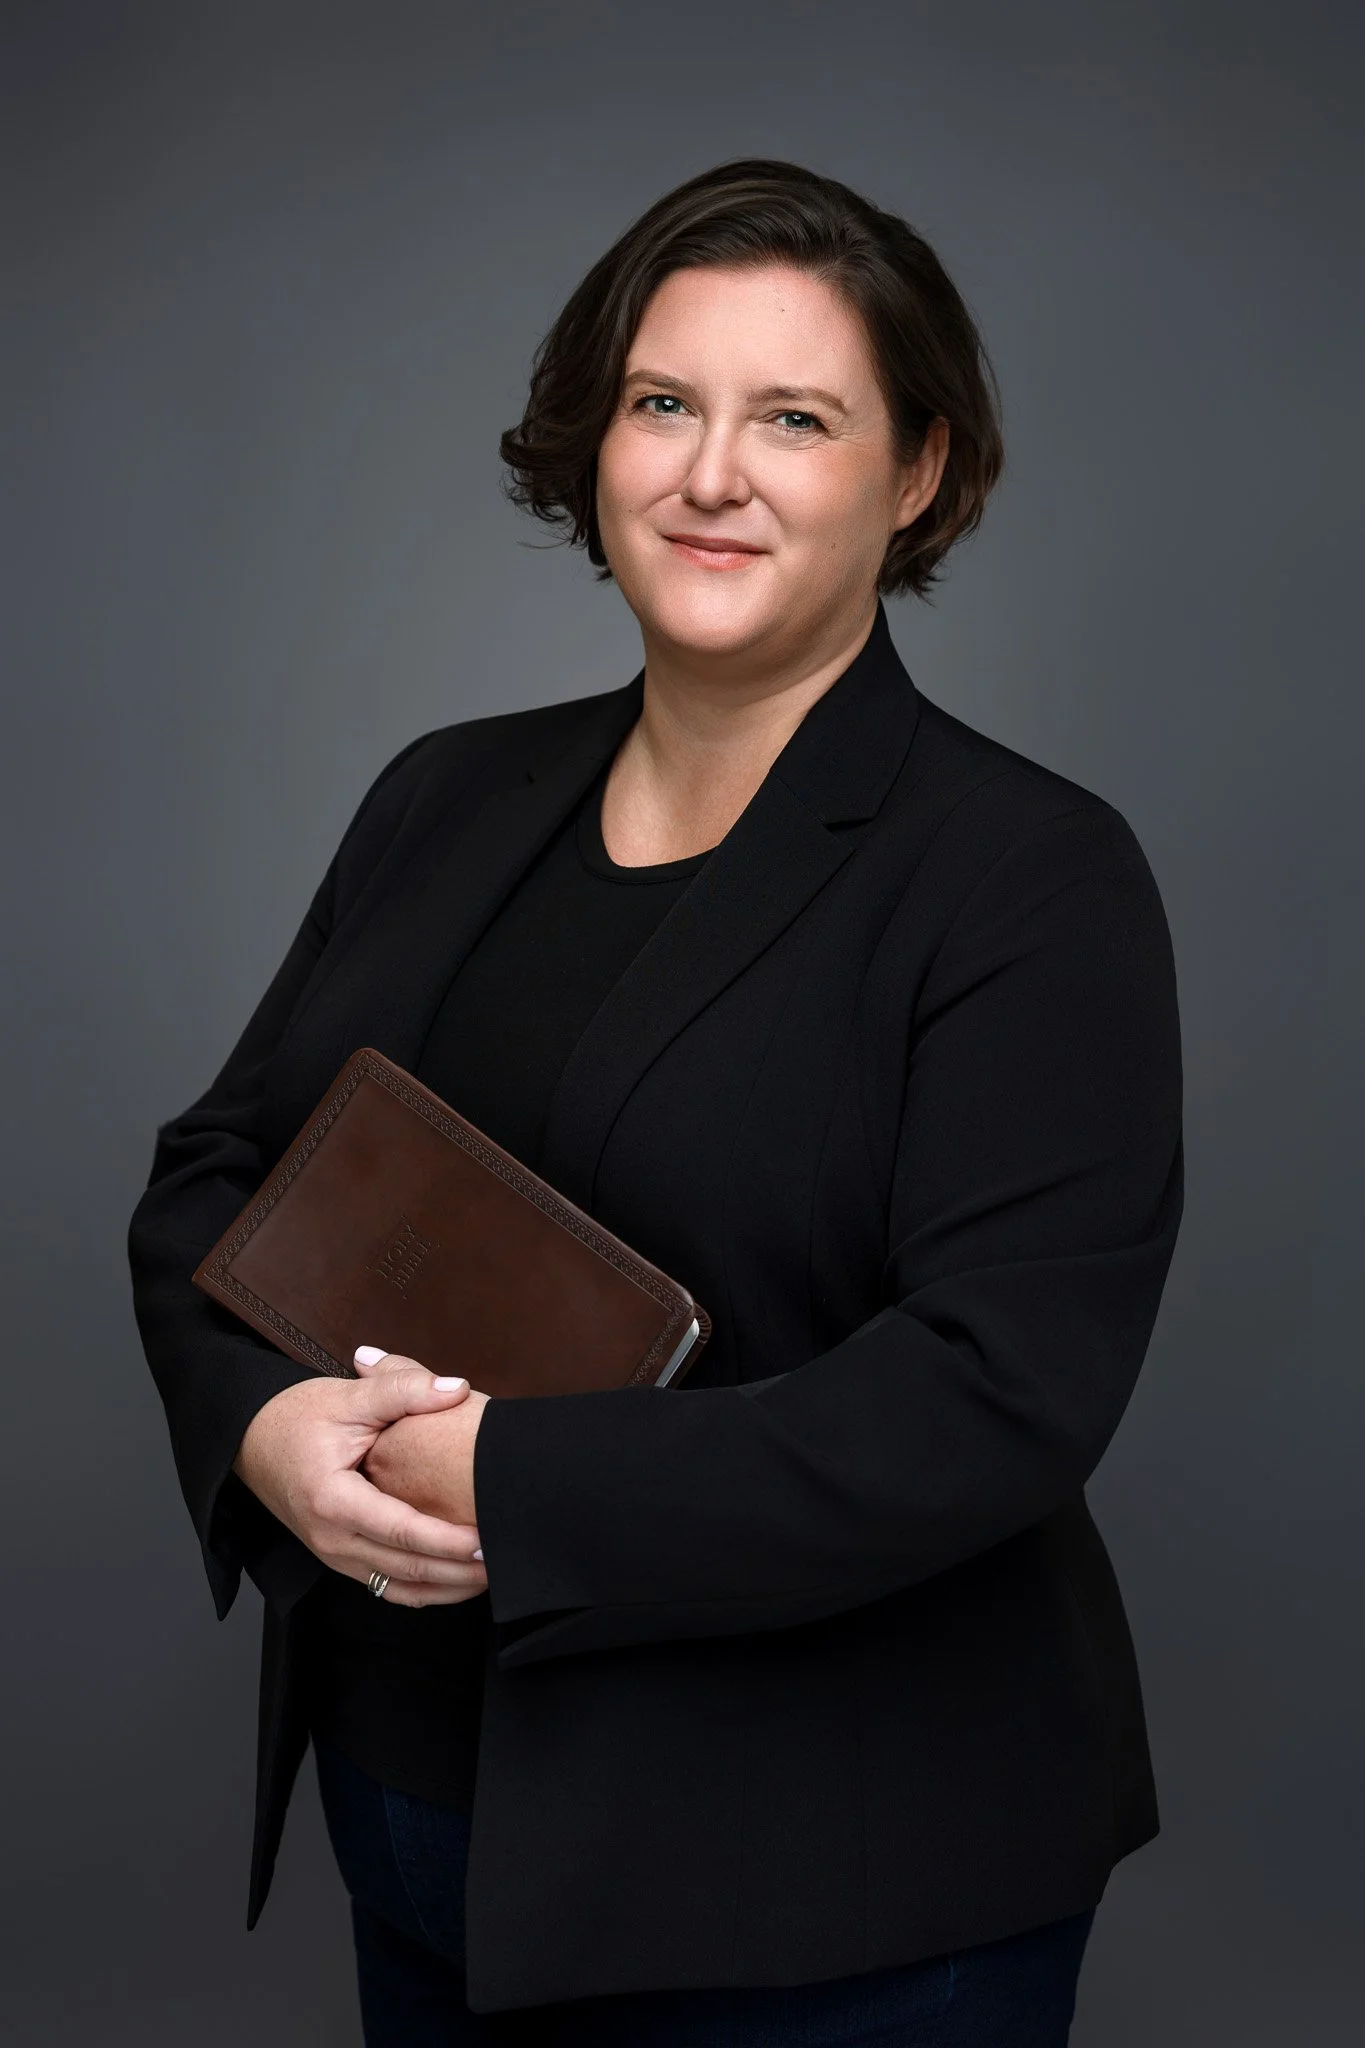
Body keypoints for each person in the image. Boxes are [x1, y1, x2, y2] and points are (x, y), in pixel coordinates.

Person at [127, 158, 1183, 2046]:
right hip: (426, 1822)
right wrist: (268, 1432)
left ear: (918, 472)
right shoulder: (446, 797)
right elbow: (220, 1174)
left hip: (825, 1887)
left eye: (797, 418)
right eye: (663, 402)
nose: (713, 474)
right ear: (595, 437)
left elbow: (995, 1391)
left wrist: (508, 1490)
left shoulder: (1026, 871)